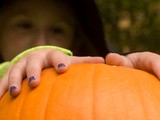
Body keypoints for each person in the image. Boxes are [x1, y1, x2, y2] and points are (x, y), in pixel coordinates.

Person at [0, 0, 160, 98]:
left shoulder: (90, 91)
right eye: (24, 25)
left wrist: (142, 86)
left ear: (76, 41)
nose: (40, 42)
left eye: (57, 30)